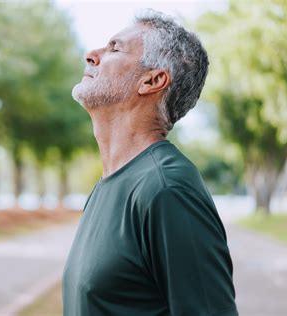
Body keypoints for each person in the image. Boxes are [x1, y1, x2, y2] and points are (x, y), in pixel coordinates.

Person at [62, 9, 238, 316]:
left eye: (114, 48)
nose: (92, 55)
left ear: (153, 80)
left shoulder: (167, 189)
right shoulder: (108, 185)